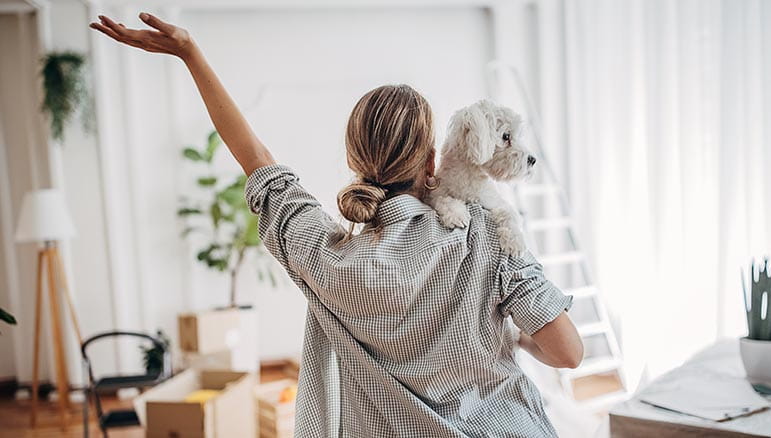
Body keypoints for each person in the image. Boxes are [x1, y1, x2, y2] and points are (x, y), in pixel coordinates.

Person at [90, 13, 583, 437]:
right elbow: (567, 352)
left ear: (354, 160)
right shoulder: (488, 230)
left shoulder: (326, 261)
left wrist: (190, 54)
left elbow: (259, 161)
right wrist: (515, 340)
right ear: (430, 162)